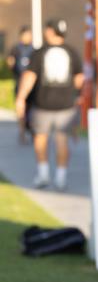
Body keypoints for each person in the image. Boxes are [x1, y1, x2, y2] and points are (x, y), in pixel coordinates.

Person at [15, 19, 83, 190]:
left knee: (40, 138)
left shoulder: (40, 52)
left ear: (50, 31)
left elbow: (29, 77)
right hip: (66, 104)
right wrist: (74, 95)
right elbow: (79, 79)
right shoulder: (72, 52)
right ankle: (61, 177)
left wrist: (21, 98)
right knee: (62, 140)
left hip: (42, 103)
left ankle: (43, 174)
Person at [6, 26, 34, 144]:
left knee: (32, 108)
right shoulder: (16, 48)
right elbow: (10, 62)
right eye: (26, 35)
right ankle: (22, 132)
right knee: (21, 108)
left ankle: (33, 130)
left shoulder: (34, 49)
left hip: (32, 84)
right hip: (20, 82)